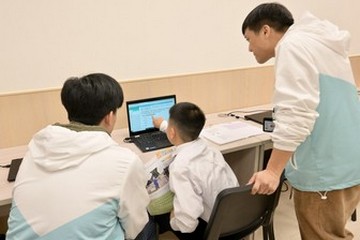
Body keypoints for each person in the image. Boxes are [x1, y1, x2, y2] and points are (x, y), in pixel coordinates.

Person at [242, 3, 360, 240]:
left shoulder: (292, 46)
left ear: (265, 31)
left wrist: (273, 171)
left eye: (248, 38)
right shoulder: (320, 45)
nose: (249, 48)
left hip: (323, 172)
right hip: (348, 163)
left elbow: (297, 112)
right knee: (335, 231)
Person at [6, 73, 150, 240]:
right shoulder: (125, 162)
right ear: (110, 117)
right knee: (145, 220)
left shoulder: (36, 149)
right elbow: (134, 229)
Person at [149, 102, 239, 240]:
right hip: (237, 218)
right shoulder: (209, 148)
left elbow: (187, 224)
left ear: (172, 133)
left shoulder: (181, 167)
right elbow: (182, 134)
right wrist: (163, 125)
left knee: (154, 211)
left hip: (213, 231)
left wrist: (173, 217)